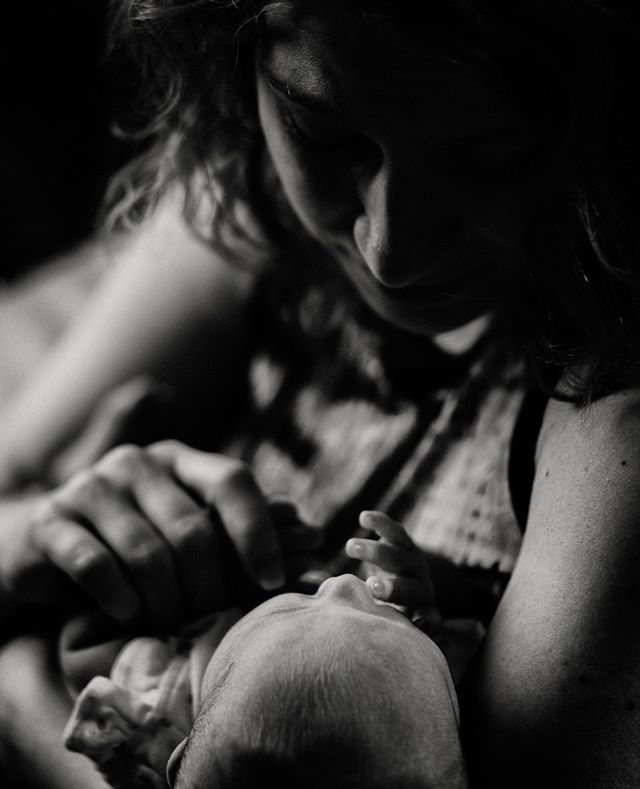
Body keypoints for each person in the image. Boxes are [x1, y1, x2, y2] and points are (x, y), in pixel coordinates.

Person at [1, 1, 640, 786]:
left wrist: (24, 703)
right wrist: (45, 534)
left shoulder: (605, 408)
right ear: (230, 63)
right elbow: (10, 479)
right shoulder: (250, 204)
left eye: (491, 159)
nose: (390, 253)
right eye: (323, 131)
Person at [60, 514, 466, 789]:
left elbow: (75, 642)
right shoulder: (433, 724)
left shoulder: (166, 703)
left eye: (298, 609)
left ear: (183, 754)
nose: (342, 583)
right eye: (381, 617)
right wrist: (417, 602)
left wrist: (232, 580)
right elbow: (474, 600)